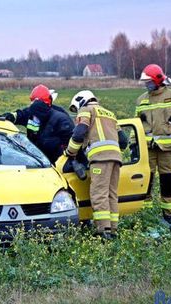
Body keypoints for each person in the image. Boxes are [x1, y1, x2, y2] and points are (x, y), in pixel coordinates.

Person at [65, 90, 128, 240]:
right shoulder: (109, 113)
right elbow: (124, 141)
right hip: (115, 158)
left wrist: (70, 152)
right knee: (111, 194)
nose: (77, 112)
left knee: (98, 194)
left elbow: (79, 133)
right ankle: (113, 229)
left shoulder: (87, 110)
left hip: (100, 158)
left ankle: (103, 230)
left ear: (81, 101)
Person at [135, 64, 171, 231]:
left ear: (158, 80)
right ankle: (146, 213)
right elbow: (137, 124)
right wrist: (133, 144)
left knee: (167, 180)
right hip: (147, 148)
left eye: (149, 81)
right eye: (146, 82)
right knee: (146, 180)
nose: (147, 85)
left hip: (167, 149)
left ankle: (169, 215)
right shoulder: (141, 99)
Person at [0, 84, 74, 163]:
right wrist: (5, 117)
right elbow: (20, 115)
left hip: (56, 159)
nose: (33, 107)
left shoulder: (60, 117)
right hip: (37, 157)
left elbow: (70, 139)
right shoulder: (32, 112)